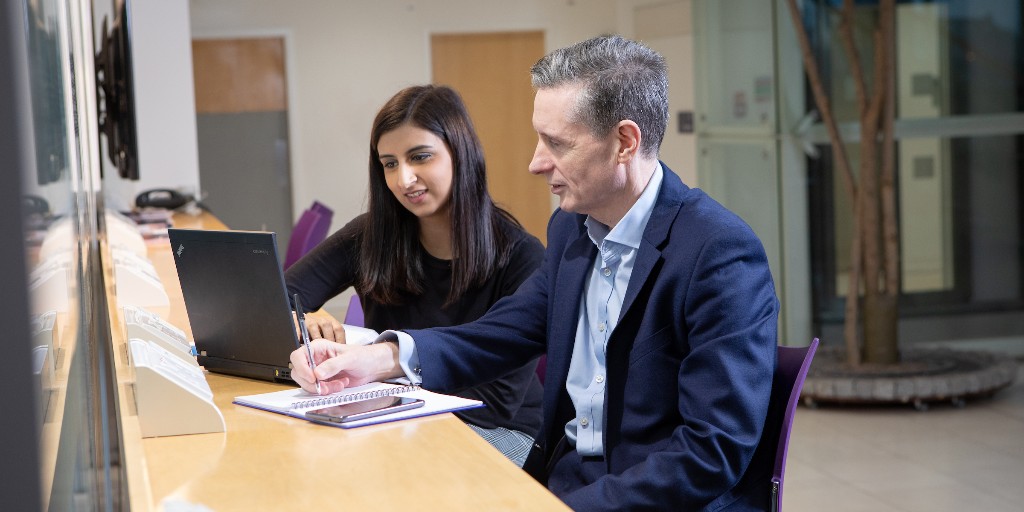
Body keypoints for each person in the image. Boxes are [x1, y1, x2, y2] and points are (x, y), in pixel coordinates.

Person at [291, 36, 779, 511]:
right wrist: (379, 359)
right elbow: (498, 335)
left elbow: (710, 455)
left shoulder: (718, 253)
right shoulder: (571, 230)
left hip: (645, 494)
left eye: (556, 143)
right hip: (562, 479)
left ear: (625, 143)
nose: (535, 163)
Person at [284, 84, 545, 467]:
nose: (404, 180)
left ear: (461, 154)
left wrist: (381, 380)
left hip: (498, 431)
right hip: (392, 412)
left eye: (419, 157)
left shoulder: (520, 255)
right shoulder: (371, 236)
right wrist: (303, 318)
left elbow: (494, 405)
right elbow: (275, 299)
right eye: (389, 164)